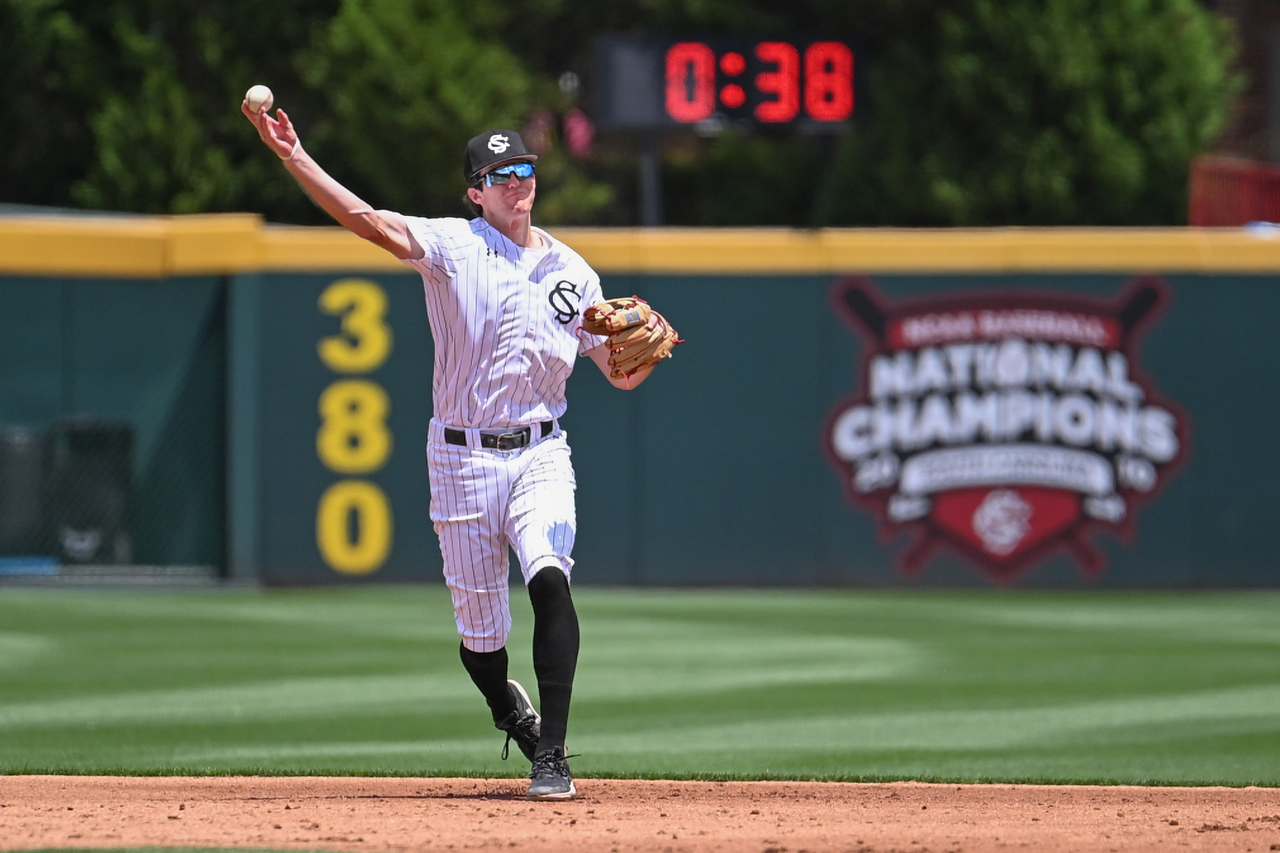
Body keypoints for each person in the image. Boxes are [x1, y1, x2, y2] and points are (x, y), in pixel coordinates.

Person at [243, 99, 658, 800]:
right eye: (499, 174)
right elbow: (362, 219)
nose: (516, 182)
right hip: (461, 458)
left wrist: (644, 357)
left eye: (523, 168)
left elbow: (617, 375)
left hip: (539, 451)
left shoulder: (573, 273)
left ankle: (551, 755)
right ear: (475, 191)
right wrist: (292, 154)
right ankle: (506, 706)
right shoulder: (451, 246)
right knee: (481, 639)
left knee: (550, 576)